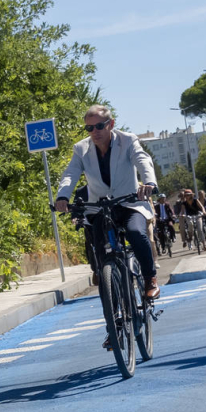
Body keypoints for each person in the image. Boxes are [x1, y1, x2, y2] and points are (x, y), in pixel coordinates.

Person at [53, 105, 158, 300]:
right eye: (89, 128)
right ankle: (112, 307)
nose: (94, 132)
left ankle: (150, 278)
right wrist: (62, 197)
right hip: (100, 207)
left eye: (99, 126)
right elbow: (70, 173)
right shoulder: (81, 149)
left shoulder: (127, 140)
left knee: (135, 233)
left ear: (110, 124)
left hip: (129, 203)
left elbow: (142, 160)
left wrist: (150, 183)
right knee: (99, 249)